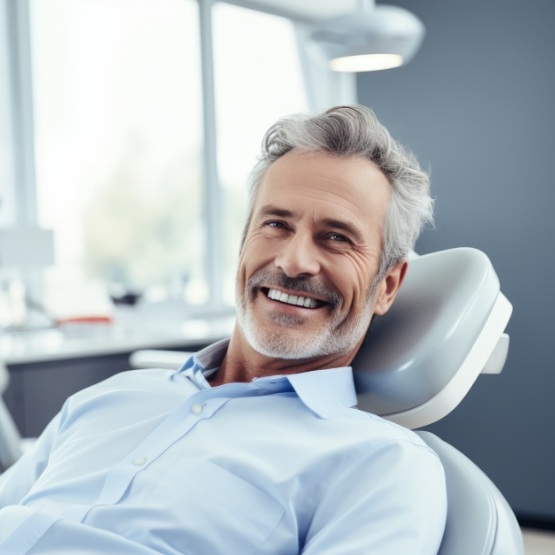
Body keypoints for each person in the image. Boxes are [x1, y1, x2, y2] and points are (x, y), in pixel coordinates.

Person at [0, 105, 446, 554]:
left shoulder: (381, 464)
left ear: (387, 285)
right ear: (243, 242)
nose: (293, 262)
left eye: (336, 238)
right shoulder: (107, 397)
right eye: (276, 224)